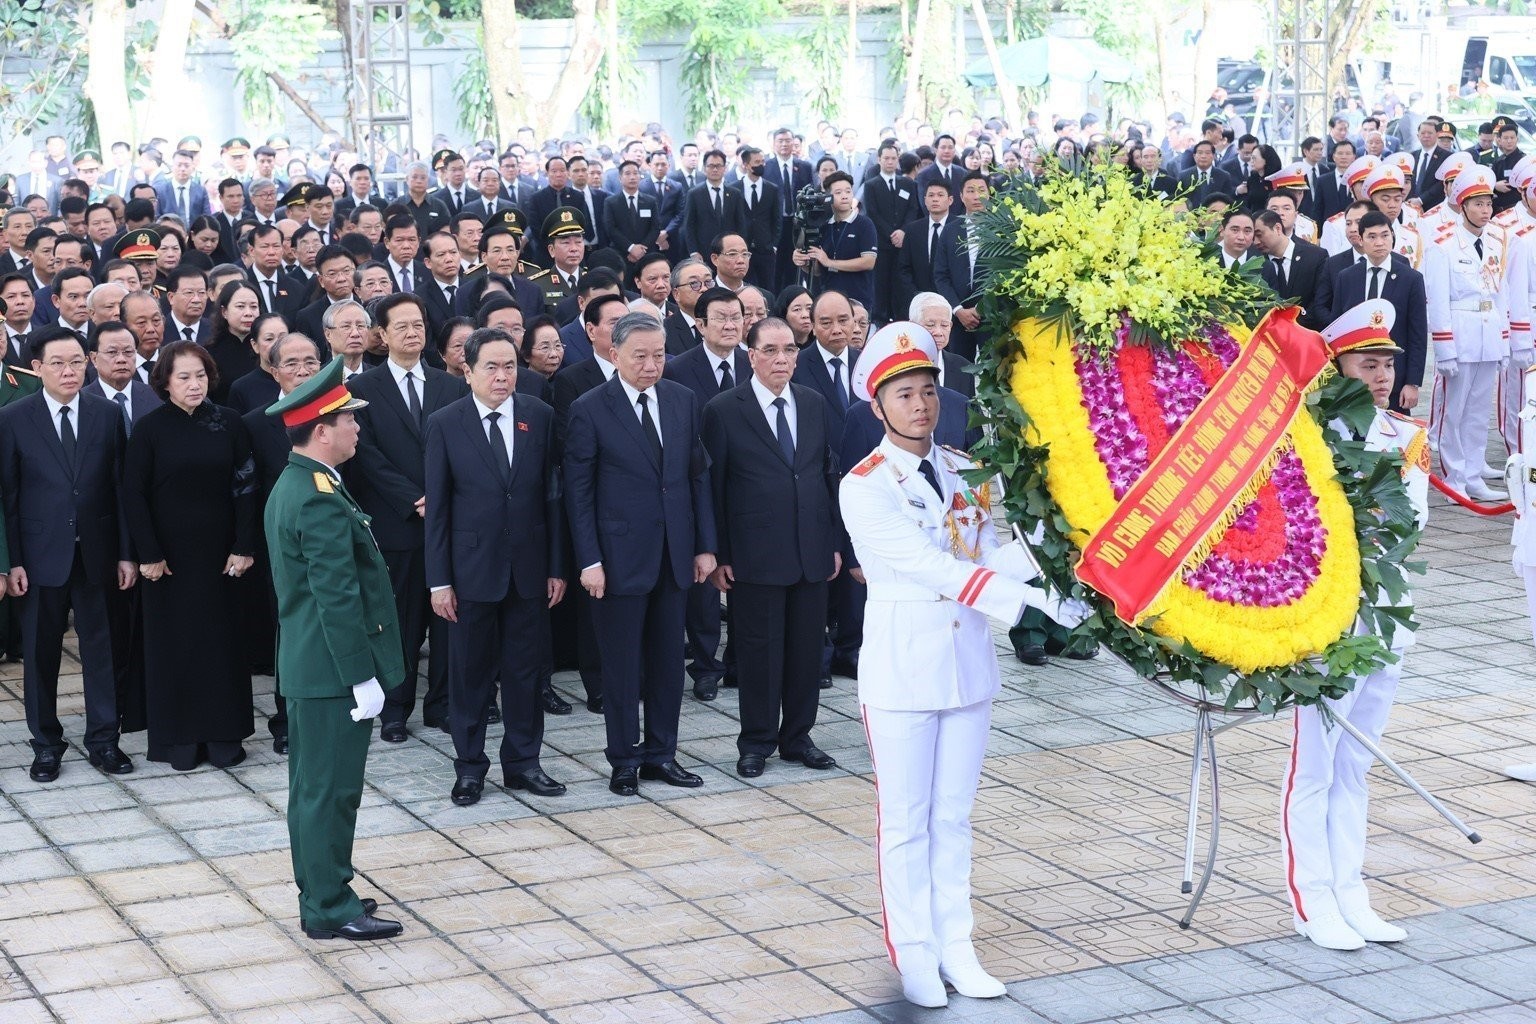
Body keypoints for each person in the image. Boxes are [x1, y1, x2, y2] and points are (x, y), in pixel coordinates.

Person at [839, 322, 1089, 1008]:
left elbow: (986, 556)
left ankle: (959, 944)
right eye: (903, 395)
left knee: (954, 817)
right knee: (907, 820)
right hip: (903, 671)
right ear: (877, 405)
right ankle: (914, 954)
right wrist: (1027, 602)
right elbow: (929, 569)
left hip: (967, 666)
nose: (920, 405)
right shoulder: (864, 486)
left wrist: (1051, 567)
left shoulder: (960, 467)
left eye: (927, 391)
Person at [1283, 299, 1429, 950]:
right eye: (1365, 363)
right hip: (1325, 623)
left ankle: (1351, 892)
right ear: (1335, 366)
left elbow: (1411, 523)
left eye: (1385, 365)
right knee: (1313, 768)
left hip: (1384, 622)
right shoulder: (1306, 437)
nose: (1378, 376)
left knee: (1356, 767)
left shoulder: (1406, 438)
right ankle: (1311, 899)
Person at [264, 356, 402, 942]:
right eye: (350, 420)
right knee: (328, 791)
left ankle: (328, 885)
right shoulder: (316, 496)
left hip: (314, 665)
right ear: (322, 428)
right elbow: (336, 597)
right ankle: (325, 905)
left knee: (319, 788)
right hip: (328, 670)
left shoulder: (305, 482)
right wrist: (360, 676)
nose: (357, 429)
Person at [563, 312, 717, 797]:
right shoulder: (590, 408)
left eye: (659, 355)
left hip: (674, 554)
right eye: (640, 357)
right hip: (617, 558)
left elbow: (696, 477)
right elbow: (578, 492)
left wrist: (704, 546)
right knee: (623, 667)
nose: (652, 365)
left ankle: (661, 754)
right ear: (615, 355)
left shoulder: (682, 399)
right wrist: (589, 560)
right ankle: (624, 758)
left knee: (669, 662)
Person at [426, 326, 568, 806]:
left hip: (528, 569)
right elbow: (439, 509)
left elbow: (552, 498)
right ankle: (469, 767)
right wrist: (439, 581)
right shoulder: (446, 422)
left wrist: (556, 567)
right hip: (469, 573)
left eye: (510, 366)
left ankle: (524, 762)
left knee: (525, 672)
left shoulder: (540, 416)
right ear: (468, 370)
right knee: (469, 675)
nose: (502, 376)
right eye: (491, 366)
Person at [703, 316, 841, 777]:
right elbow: (714, 487)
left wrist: (835, 543)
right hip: (753, 556)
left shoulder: (814, 403)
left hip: (811, 550)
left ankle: (798, 737)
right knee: (760, 654)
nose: (781, 359)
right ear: (752, 355)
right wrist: (719, 553)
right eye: (771, 351)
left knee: (806, 652)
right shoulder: (724, 409)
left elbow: (826, 476)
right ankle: (756, 741)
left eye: (789, 351)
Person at [0, 326, 136, 783]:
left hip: (97, 552)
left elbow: (119, 488)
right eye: (58, 363)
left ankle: (103, 740)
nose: (69, 371)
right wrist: (13, 560)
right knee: (40, 655)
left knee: (102, 650)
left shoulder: (105, 413)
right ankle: (45, 744)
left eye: (77, 361)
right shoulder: (14, 418)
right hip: (39, 557)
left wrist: (125, 553)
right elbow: (9, 496)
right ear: (36, 368)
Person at [121, 341, 258, 770]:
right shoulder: (149, 428)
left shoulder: (230, 423)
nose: (194, 384)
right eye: (183, 376)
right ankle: (177, 740)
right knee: (174, 645)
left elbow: (247, 487)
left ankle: (223, 736)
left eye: (200, 375)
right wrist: (149, 554)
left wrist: (244, 545)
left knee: (220, 643)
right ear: (164, 381)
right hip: (169, 561)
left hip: (222, 557)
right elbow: (134, 494)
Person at [346, 292, 469, 739]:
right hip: (396, 521)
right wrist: (415, 499)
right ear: (381, 335)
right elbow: (367, 455)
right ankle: (395, 708)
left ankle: (443, 704)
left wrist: (439, 498)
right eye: (402, 326)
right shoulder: (361, 389)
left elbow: (462, 448)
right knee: (399, 621)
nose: (413, 332)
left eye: (418, 324)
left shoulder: (450, 384)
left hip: (447, 521)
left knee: (448, 619)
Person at [662, 287, 750, 701]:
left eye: (737, 317)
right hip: (700, 483)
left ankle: (739, 660)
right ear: (700, 325)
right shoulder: (678, 370)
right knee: (705, 581)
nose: (731, 325)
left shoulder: (756, 361)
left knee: (746, 576)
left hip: (749, 487)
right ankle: (705, 665)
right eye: (721, 318)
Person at [1423, 165, 1510, 502]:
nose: (1485, 210)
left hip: (1488, 332)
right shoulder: (1443, 243)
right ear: (1462, 205)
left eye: (1488, 204)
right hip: (1460, 334)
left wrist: (1503, 341)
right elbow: (1438, 298)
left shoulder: (1495, 241)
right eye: (1478, 204)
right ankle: (1454, 479)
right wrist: (1444, 348)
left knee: (1477, 412)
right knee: (1452, 411)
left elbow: (1498, 293)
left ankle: (1473, 474)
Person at [1322, 211, 1429, 415]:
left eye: (1385, 235)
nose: (1379, 242)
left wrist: (1413, 383)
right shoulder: (1346, 277)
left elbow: (1417, 334)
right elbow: (1337, 329)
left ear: (1392, 237)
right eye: (1372, 236)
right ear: (1361, 240)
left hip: (1393, 377)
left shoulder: (1411, 279)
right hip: (1355, 377)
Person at [203, 280, 263, 406]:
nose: (248, 313)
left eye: (253, 306)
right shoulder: (209, 352)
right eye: (240, 306)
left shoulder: (267, 348)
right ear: (224, 311)